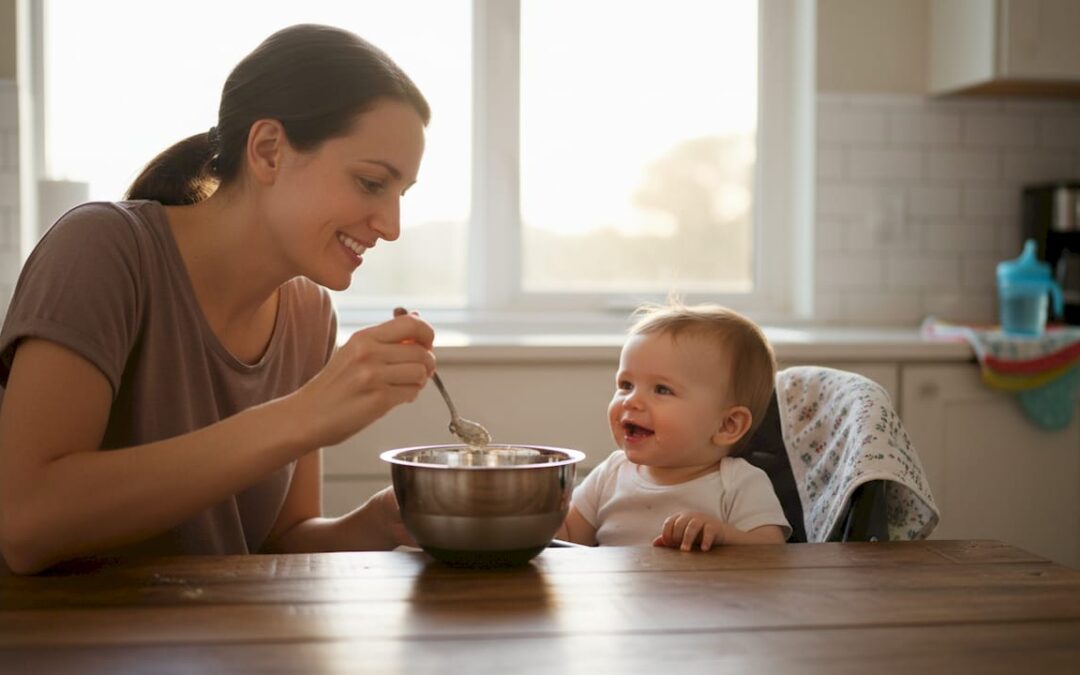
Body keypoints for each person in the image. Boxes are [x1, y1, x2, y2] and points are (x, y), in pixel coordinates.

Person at [0, 25, 436, 575]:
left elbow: (278, 544)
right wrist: (305, 414)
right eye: (373, 183)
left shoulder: (308, 314)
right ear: (269, 151)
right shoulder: (104, 250)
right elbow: (26, 524)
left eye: (402, 195)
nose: (392, 227)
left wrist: (376, 525)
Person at [557, 302, 791, 550]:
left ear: (727, 425)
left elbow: (772, 552)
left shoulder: (738, 482)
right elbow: (567, 540)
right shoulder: (611, 474)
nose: (631, 400)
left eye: (662, 389)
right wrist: (536, 509)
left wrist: (723, 536)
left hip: (701, 590)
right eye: (626, 385)